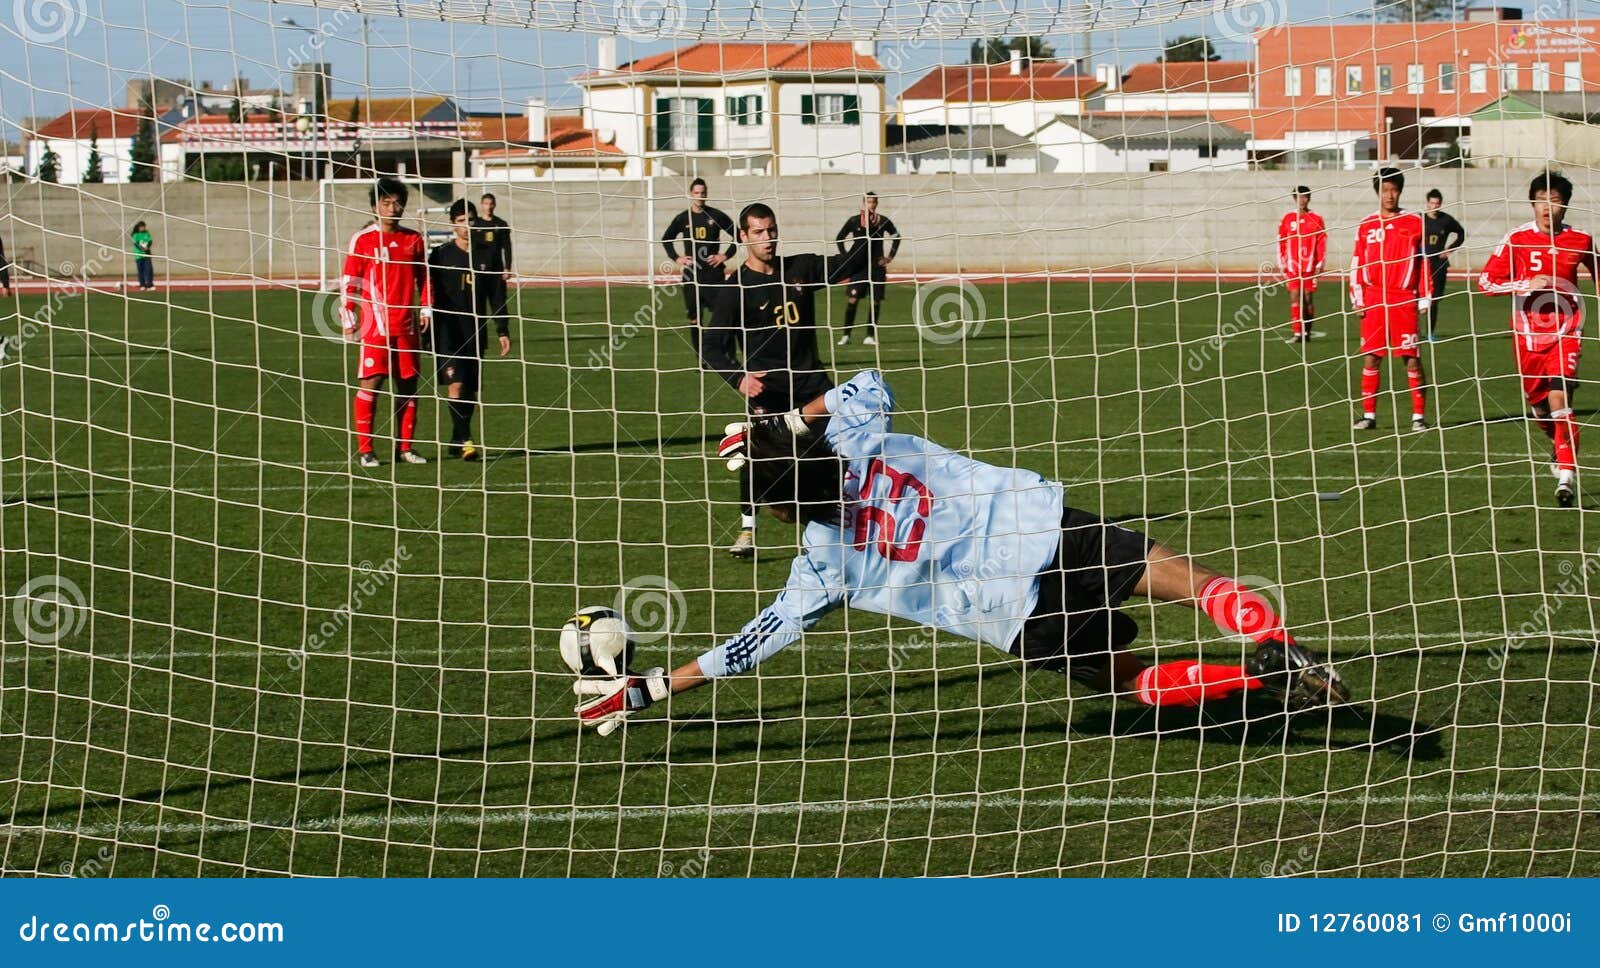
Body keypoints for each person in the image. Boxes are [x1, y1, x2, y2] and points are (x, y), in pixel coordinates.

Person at [568, 369, 1351, 735]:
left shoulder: (821, 563)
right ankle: (1273, 644)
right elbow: (867, 380)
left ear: (777, 508)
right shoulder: (853, 431)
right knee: (1185, 576)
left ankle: (1250, 680)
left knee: (1131, 681)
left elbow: (755, 644)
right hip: (1032, 524)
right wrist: (790, 424)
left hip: (1007, 611)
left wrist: (652, 689)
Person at [699, 202, 870, 558]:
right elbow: (710, 346)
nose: (768, 238)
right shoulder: (735, 290)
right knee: (757, 460)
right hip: (769, 393)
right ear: (744, 237)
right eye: (759, 233)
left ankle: (827, 537)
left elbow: (847, 265)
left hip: (812, 386)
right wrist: (738, 377)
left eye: (772, 230)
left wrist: (866, 233)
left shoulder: (800, 268)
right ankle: (747, 531)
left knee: (830, 460)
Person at [1478, 170, 1594, 508]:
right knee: (1540, 408)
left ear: (1565, 206)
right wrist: (1523, 283)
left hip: (1568, 329)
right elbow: (1485, 282)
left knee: (1560, 398)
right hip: (1528, 335)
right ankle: (1557, 445)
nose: (1547, 207)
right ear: (1532, 204)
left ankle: (1566, 477)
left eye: (1555, 201)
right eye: (1541, 200)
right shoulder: (1516, 239)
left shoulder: (1581, 240)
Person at [340, 177, 432, 468]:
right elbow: (349, 280)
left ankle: (405, 448)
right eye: (386, 202)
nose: (393, 207)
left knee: (408, 385)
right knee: (372, 383)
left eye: (397, 202)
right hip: (375, 325)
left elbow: (424, 279)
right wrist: (348, 317)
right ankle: (366, 450)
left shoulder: (414, 239)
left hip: (406, 325)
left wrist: (426, 309)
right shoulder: (363, 239)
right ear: (374, 206)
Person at [429, 198, 513, 461]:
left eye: (471, 220)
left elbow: (497, 295)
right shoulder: (440, 255)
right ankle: (466, 439)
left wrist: (502, 329)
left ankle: (457, 436)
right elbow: (428, 292)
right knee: (456, 384)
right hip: (447, 330)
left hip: (475, 329)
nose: (467, 226)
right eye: (461, 221)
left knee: (471, 390)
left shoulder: (488, 254)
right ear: (453, 225)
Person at [1351, 168, 1431, 433]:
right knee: (1372, 357)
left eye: (1394, 189)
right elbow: (1356, 263)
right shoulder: (1366, 225)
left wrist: (1425, 297)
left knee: (1411, 358)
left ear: (1400, 191)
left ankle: (1418, 417)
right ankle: (1369, 415)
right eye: (1385, 190)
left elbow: (1423, 264)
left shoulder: (1414, 222)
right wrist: (1357, 297)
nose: (1390, 195)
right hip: (1373, 298)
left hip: (1403, 298)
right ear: (1377, 192)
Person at [660, 178, 736, 353]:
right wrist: (677, 258)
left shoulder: (716, 216)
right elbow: (666, 239)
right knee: (695, 319)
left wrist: (724, 255)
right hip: (691, 276)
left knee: (723, 316)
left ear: (706, 194)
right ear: (690, 194)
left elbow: (738, 236)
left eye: (703, 193)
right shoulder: (683, 218)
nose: (700, 196)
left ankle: (727, 354)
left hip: (713, 275)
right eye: (696, 193)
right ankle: (701, 359)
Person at [834, 192, 901, 346]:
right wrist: (846, 257)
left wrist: (889, 257)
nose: (871, 204)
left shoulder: (882, 221)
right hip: (859, 268)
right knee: (853, 299)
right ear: (864, 203)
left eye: (874, 202)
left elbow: (896, 236)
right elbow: (839, 238)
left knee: (875, 301)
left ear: (877, 203)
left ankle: (870, 335)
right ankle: (846, 335)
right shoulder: (854, 221)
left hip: (876, 266)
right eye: (868, 202)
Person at [1276, 186, 1326, 341]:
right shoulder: (1287, 218)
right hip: (1292, 266)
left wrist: (1320, 264)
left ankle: (1308, 330)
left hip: (1310, 267)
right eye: (1299, 197)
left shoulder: (1316, 218)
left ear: (1309, 199)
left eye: (1305, 197)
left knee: (1308, 298)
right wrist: (1282, 262)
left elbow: (1322, 242)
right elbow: (1281, 241)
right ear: (1294, 199)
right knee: (1295, 296)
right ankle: (1298, 332)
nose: (1302, 200)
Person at [1422, 189, 1467, 341]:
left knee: (1434, 300)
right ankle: (1412, 332)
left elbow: (1461, 233)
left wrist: (1449, 249)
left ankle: (1430, 333)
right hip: (1421, 263)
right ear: (1427, 203)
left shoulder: (1446, 220)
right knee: (1414, 298)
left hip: (1438, 264)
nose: (1434, 206)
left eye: (1437, 203)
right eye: (1432, 203)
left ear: (1440, 204)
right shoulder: (1420, 219)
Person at [130, 221, 155, 291]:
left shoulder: (146, 233)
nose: (143, 228)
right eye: (141, 227)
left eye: (144, 226)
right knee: (141, 270)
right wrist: (143, 248)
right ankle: (142, 285)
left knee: (149, 269)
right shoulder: (136, 235)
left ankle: (150, 285)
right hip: (139, 255)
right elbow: (136, 243)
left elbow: (150, 241)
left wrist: (147, 247)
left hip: (147, 255)